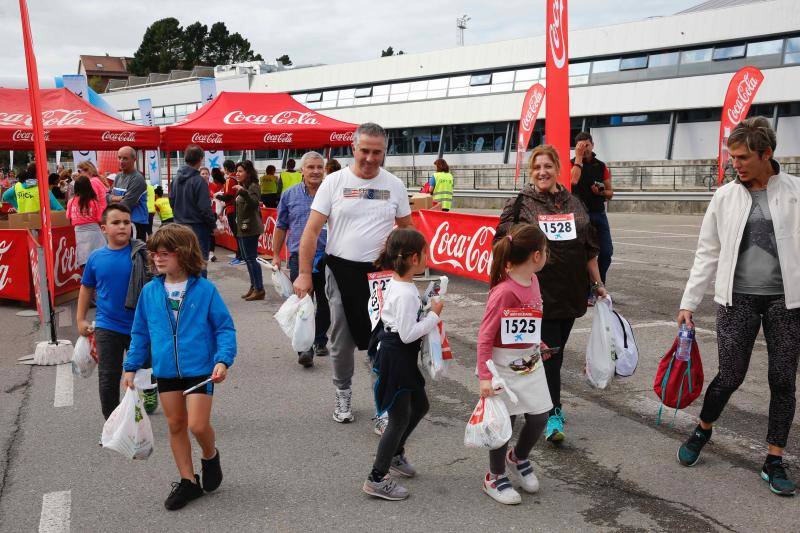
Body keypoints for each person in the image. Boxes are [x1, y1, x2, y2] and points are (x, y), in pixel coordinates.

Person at [676, 117, 800, 497]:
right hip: (737, 299)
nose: (737, 165)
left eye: (744, 157)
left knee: (783, 381)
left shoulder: (796, 191)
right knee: (730, 375)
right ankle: (703, 429)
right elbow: (707, 251)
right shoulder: (725, 196)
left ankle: (774, 458)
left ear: (767, 154)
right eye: (733, 157)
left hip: (787, 302)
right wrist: (688, 301)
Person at [293, 122, 412, 427]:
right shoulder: (334, 183)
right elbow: (311, 230)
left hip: (381, 275)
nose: (371, 158)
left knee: (385, 342)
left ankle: (383, 406)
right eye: (365, 151)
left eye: (378, 152)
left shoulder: (394, 185)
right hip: (341, 271)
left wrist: (404, 261)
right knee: (341, 341)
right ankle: (343, 392)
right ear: (353, 149)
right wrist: (304, 273)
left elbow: (408, 232)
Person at [495, 145, 606, 444]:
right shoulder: (520, 203)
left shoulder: (575, 203)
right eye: (536, 167)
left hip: (570, 294)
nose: (542, 172)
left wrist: (597, 285)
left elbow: (589, 250)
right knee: (550, 356)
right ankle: (552, 413)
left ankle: (532, 404)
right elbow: (499, 245)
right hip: (534, 297)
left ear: (558, 168)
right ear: (532, 172)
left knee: (551, 354)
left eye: (547, 166)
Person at [122, 224, 236, 510]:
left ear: (183, 254)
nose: (158, 259)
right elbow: (140, 333)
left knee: (197, 425)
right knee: (175, 425)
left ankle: (210, 455)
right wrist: (131, 366)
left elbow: (224, 328)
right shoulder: (149, 291)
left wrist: (222, 360)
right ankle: (188, 481)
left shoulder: (205, 290)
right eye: (154, 254)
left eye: (165, 253)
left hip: (200, 369)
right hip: (166, 371)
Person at [362, 228, 443, 501]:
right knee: (397, 420)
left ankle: (396, 454)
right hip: (396, 359)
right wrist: (434, 316)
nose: (428, 257)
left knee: (420, 406)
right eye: (425, 253)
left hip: (401, 358)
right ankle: (376, 477)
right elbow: (408, 333)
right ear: (412, 258)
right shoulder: (406, 292)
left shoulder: (402, 285)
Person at [477, 224, 552, 505]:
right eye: (545, 251)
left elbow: (527, 324)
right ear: (536, 255)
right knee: (503, 424)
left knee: (540, 415)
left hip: (530, 363)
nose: (547, 255)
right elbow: (485, 336)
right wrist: (485, 376)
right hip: (503, 366)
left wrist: (538, 343)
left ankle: (518, 457)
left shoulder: (533, 280)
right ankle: (494, 476)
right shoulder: (503, 292)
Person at [76, 203, 158, 419]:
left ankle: (149, 390)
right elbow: (86, 288)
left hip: (141, 327)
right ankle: (112, 421)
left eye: (126, 222)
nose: (122, 226)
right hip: (107, 326)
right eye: (116, 222)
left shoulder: (143, 253)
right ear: (103, 228)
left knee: (145, 369)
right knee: (108, 377)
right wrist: (80, 319)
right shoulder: (96, 258)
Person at [273, 151, 331, 367]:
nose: (316, 171)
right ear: (302, 171)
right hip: (299, 256)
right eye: (311, 167)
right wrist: (276, 255)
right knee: (303, 302)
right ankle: (304, 348)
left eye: (319, 167)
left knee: (325, 303)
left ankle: (319, 339)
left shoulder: (331, 193)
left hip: (327, 256)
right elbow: (281, 226)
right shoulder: (289, 195)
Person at [571, 132, 613, 305]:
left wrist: (601, 192)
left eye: (587, 145)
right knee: (585, 256)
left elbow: (611, 193)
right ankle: (586, 290)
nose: (585, 149)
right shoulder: (571, 164)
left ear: (593, 145)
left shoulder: (600, 165)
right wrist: (578, 159)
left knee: (606, 253)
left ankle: (598, 286)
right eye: (581, 146)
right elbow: (572, 181)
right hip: (579, 215)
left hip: (598, 213)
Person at [170, 144, 216, 278]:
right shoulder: (199, 181)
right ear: (200, 159)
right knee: (200, 262)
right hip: (198, 228)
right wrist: (213, 225)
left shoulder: (176, 179)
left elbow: (172, 201)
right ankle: (200, 294)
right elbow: (205, 208)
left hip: (180, 225)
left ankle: (187, 292)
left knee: (183, 261)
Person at [234, 160, 265, 301]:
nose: (237, 174)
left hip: (250, 228)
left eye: (240, 171)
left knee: (252, 259)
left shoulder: (253, 186)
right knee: (247, 259)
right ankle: (254, 287)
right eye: (237, 171)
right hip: (242, 228)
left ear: (248, 172)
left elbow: (254, 204)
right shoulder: (244, 186)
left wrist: (243, 193)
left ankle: (259, 289)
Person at [110, 146, 149, 240]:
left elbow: (125, 205)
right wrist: (118, 198)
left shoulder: (137, 178)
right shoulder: (118, 176)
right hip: (122, 222)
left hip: (135, 224)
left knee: (134, 254)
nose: (121, 161)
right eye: (119, 157)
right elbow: (106, 196)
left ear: (134, 159)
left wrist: (113, 199)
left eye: (125, 158)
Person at [66, 175, 106, 267]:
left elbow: (68, 217)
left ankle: (87, 280)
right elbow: (100, 218)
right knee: (99, 259)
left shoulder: (71, 202)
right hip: (95, 232)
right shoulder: (94, 202)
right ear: (89, 186)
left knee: (85, 261)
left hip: (79, 234)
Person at [220, 159, 243, 265]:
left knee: (237, 234)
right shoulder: (236, 178)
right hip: (235, 208)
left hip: (232, 209)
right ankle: (239, 255)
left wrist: (218, 196)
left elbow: (228, 196)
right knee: (238, 233)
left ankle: (240, 256)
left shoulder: (230, 179)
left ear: (225, 169)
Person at [208, 168, 227, 263]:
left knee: (212, 233)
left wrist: (219, 213)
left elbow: (219, 199)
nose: (204, 175)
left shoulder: (214, 185)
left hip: (213, 212)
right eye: (202, 173)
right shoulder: (197, 185)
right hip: (200, 214)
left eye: (206, 173)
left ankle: (211, 254)